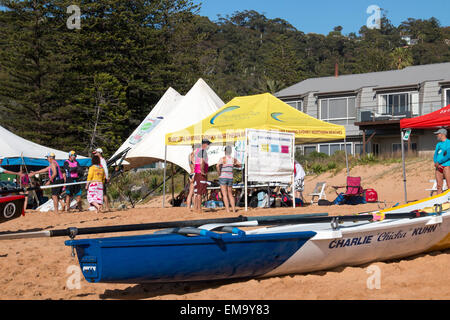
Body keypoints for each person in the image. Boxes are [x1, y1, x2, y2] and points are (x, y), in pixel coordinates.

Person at [216, 145, 241, 213]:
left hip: (223, 176)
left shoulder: (223, 159)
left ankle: (228, 210)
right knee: (230, 194)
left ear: (225, 151)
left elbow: (217, 165)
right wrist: (234, 165)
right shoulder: (233, 159)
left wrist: (219, 173)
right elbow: (240, 165)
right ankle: (233, 209)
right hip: (230, 177)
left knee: (224, 194)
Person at [193, 139, 210, 213]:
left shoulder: (196, 151)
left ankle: (196, 208)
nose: (208, 146)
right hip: (200, 173)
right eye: (208, 144)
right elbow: (202, 161)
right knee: (199, 192)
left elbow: (193, 160)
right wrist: (202, 171)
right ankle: (199, 209)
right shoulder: (203, 151)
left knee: (197, 192)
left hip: (197, 172)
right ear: (204, 144)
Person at [433, 128, 450, 194]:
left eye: (438, 134)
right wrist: (436, 163)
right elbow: (435, 155)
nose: (437, 135)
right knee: (439, 186)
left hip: (447, 166)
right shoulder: (438, 144)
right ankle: (439, 202)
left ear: (442, 134)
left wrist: (439, 162)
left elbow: (448, 155)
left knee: (449, 184)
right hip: (438, 167)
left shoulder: (449, 142)